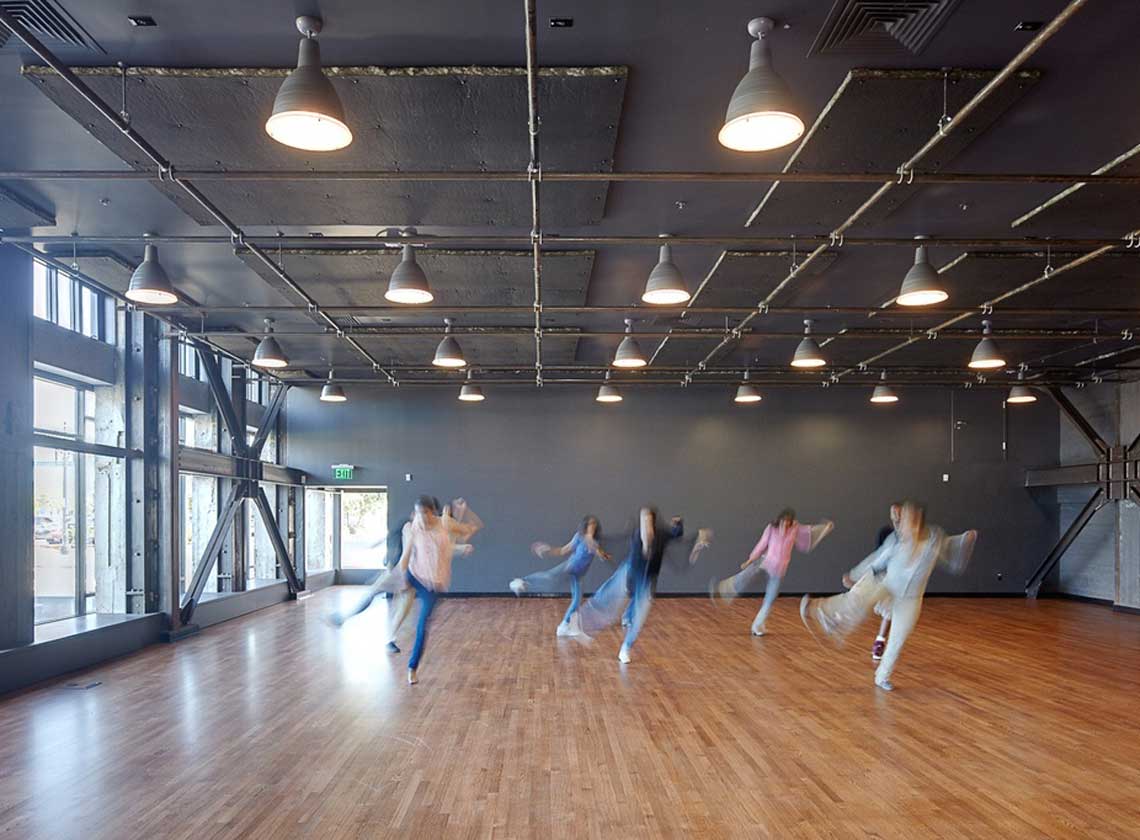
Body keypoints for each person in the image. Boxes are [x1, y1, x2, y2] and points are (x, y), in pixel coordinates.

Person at [799, 501, 977, 691]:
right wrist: (855, 575)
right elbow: (877, 559)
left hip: (911, 599)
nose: (904, 524)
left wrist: (965, 538)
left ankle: (882, 676)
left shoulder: (933, 539)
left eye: (909, 520)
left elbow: (951, 546)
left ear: (917, 522)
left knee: (898, 638)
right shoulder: (896, 540)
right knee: (859, 601)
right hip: (888, 586)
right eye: (904, 520)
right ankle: (820, 610)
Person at [580, 508, 711, 664]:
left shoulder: (662, 534)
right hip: (630, 571)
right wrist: (590, 537)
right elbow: (643, 546)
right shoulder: (637, 535)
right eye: (644, 521)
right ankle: (586, 623)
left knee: (640, 618)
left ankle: (626, 647)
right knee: (610, 594)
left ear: (654, 523)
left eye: (649, 521)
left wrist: (678, 523)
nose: (646, 525)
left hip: (647, 580)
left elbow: (676, 534)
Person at [709, 509, 833, 636]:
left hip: (779, 570)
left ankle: (757, 626)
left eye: (788, 523)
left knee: (770, 598)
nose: (785, 525)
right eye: (783, 522)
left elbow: (810, 531)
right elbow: (762, 544)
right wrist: (750, 559)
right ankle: (722, 591)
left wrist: (825, 528)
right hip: (765, 562)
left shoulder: (795, 529)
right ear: (779, 520)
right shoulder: (771, 529)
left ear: (791, 523)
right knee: (745, 576)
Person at [508, 515, 610, 637]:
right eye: (590, 524)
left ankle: (564, 627)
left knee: (577, 601)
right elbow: (563, 550)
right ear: (585, 526)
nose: (592, 526)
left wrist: (604, 555)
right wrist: (547, 549)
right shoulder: (580, 537)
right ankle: (521, 581)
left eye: (594, 524)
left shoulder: (595, 542)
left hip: (578, 574)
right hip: (569, 567)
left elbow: (598, 552)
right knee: (549, 577)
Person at [871, 503, 902, 662]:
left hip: (897, 579)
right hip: (883, 575)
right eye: (894, 512)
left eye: (899, 512)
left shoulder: (908, 537)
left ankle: (880, 641)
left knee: (890, 611)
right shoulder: (886, 534)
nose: (897, 515)